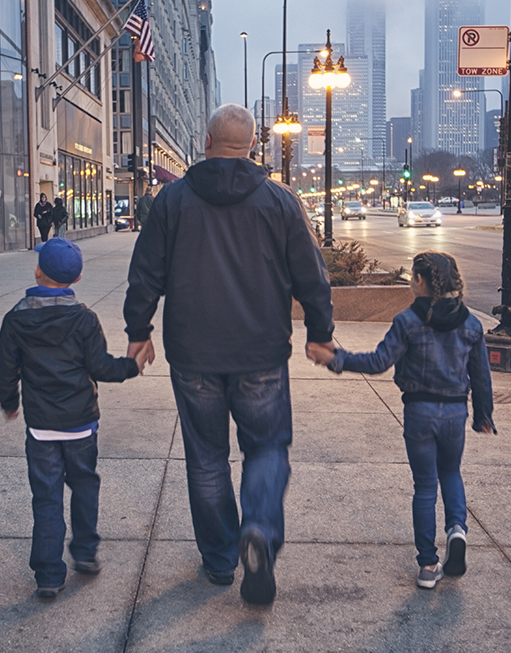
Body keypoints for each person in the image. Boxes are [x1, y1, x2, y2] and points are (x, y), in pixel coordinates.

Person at [124, 104, 334, 605]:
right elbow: (312, 274)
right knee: (266, 448)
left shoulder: (171, 199)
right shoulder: (280, 202)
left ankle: (220, 560)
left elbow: (145, 272)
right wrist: (320, 332)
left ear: (207, 142)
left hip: (193, 353)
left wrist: (138, 331)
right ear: (254, 146)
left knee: (206, 458)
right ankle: (258, 528)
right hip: (260, 352)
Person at [308, 251, 495, 590]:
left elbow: (378, 362)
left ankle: (427, 565)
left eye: (412, 277)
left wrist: (334, 358)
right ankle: (457, 530)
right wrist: (484, 415)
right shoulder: (471, 324)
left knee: (425, 486)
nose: (410, 282)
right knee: (451, 473)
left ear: (421, 281)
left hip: (419, 413)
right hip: (455, 413)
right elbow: (481, 376)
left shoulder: (407, 321)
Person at [0, 238, 149, 600]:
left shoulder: (16, 318)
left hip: (41, 427)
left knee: (46, 497)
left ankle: (48, 574)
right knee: (84, 485)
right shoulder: (83, 319)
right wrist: (132, 366)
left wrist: (9, 401)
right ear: (77, 278)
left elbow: (4, 367)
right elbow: (100, 367)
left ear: (37, 272)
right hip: (80, 424)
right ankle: (85, 552)